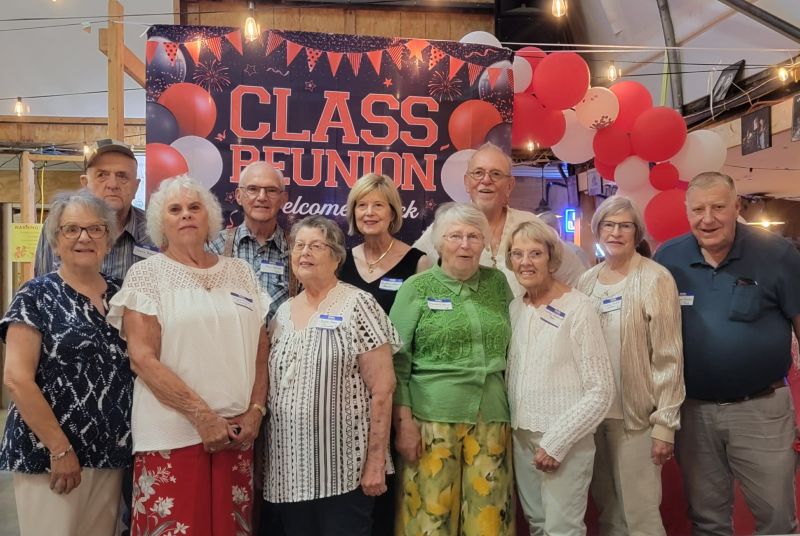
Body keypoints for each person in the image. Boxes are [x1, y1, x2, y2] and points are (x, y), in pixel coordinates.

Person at [107, 175, 269, 536]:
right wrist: (202, 416)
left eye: (194, 207)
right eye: (175, 209)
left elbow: (260, 348)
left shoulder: (241, 273)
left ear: (209, 216)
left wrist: (256, 410)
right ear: (160, 222)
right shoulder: (146, 275)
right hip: (172, 434)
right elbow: (142, 359)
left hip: (235, 434)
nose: (186, 215)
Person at [654, 172, 800, 535]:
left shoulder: (777, 254)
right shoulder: (669, 258)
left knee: (777, 517)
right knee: (707, 520)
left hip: (761, 410)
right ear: (687, 211)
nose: (708, 219)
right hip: (694, 412)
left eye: (718, 207)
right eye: (698, 209)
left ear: (736, 207)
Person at [1, 190, 133, 535]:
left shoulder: (123, 295)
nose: (84, 237)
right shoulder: (35, 295)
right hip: (49, 457)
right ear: (55, 241)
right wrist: (60, 451)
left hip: (110, 455)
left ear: (108, 239)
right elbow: (17, 379)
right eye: (71, 229)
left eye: (95, 229)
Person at [264, 215, 399, 536]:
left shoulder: (358, 304)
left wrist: (376, 462)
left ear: (337, 257)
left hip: (344, 471)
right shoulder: (282, 312)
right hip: (288, 473)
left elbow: (383, 389)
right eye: (299, 245)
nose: (304, 252)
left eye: (316, 246)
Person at [391, 202, 516, 536]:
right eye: (455, 236)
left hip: (492, 417)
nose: (465, 244)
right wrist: (403, 423)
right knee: (428, 519)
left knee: (489, 519)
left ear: (484, 243)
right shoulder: (416, 288)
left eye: (474, 236)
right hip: (430, 420)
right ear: (439, 243)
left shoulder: (498, 283)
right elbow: (397, 360)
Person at [577, 196, 684, 536]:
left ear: (636, 233)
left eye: (625, 226)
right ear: (598, 231)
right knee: (608, 513)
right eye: (608, 225)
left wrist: (665, 424)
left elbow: (669, 355)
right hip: (594, 419)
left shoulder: (655, 278)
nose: (616, 232)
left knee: (641, 517)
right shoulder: (586, 282)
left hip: (637, 419)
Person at [505, 219, 613, 536]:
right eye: (517, 254)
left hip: (565, 439)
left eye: (535, 253)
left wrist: (557, 442)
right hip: (521, 436)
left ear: (551, 258)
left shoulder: (579, 307)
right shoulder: (515, 308)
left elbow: (601, 391)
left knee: (562, 529)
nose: (525, 262)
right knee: (538, 525)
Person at [338, 173, 429, 535]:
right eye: (361, 205)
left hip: (395, 393)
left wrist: (405, 415)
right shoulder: (339, 261)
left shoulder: (419, 263)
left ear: (393, 213)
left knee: (388, 492)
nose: (369, 212)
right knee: (350, 491)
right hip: (346, 395)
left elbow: (421, 339)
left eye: (378, 205)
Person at [414, 142, 587, 294]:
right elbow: (413, 271)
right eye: (478, 173)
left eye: (496, 174)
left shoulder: (530, 224)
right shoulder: (446, 226)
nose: (486, 180)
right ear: (467, 182)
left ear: (510, 185)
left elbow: (576, 277)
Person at [35, 139, 154, 279]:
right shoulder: (59, 224)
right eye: (102, 175)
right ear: (85, 183)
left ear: (136, 186)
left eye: (122, 176)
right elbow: (43, 283)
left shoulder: (154, 231)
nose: (112, 185)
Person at [208, 161, 290, 321]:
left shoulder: (299, 251)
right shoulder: (215, 245)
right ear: (239, 196)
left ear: (283, 199)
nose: (262, 197)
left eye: (271, 190)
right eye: (253, 189)